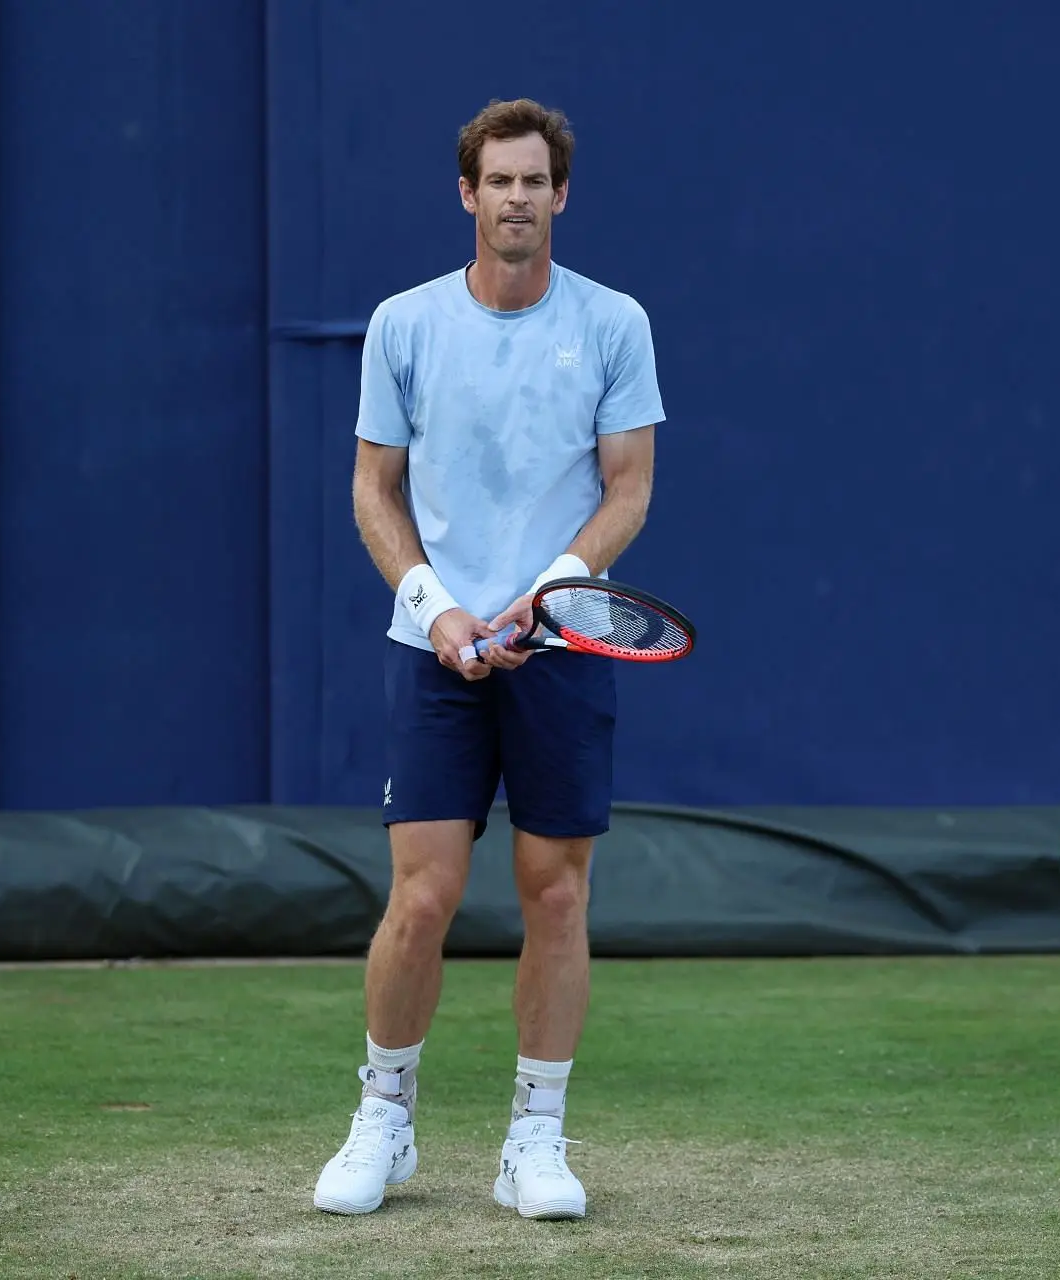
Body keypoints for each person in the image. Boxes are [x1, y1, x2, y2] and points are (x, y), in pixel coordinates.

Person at [313, 97, 665, 1217]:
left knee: (556, 894)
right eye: (497, 181)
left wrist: (548, 591)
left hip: (563, 642)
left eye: (535, 181)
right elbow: (374, 488)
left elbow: (629, 488)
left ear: (562, 195)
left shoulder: (614, 322)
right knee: (423, 896)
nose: (516, 198)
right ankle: (385, 1116)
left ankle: (536, 1138)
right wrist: (439, 605)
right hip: (434, 649)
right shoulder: (403, 324)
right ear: (467, 195)